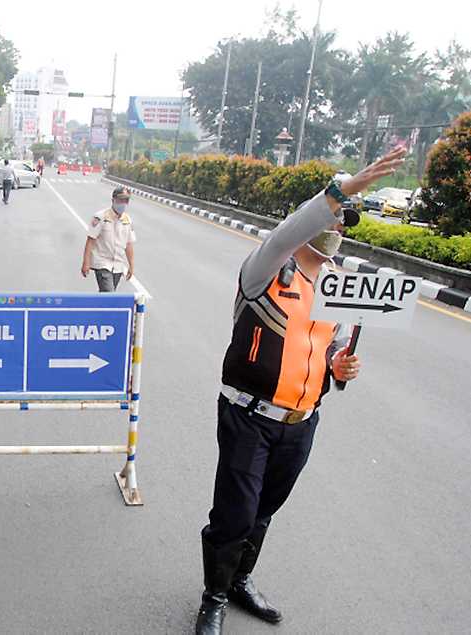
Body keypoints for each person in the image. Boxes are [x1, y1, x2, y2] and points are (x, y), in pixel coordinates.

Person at [193, 148, 406, 635]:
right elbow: (285, 232)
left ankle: (241, 580)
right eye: (334, 218)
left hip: (300, 423)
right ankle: (215, 598)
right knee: (236, 513)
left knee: (265, 510)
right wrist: (341, 191)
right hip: (249, 416)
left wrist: (340, 366)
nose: (339, 228)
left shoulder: (335, 287)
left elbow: (329, 350)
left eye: (345, 222)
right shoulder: (266, 269)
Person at [81, 187, 136, 292]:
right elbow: (90, 240)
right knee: (109, 294)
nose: (123, 203)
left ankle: (98, 307)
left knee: (106, 296)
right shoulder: (101, 217)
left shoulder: (127, 220)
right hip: (102, 263)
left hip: (118, 265)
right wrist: (86, 262)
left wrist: (131, 266)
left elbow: (129, 245)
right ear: (113, 200)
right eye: (120, 200)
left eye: (126, 200)